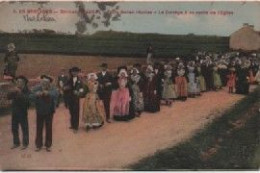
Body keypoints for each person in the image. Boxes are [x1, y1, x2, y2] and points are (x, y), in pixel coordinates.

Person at [30, 75, 59, 152]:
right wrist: (36, 94)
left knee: (48, 128)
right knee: (39, 128)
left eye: (46, 82)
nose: (44, 84)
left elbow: (56, 94)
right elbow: (30, 96)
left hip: (49, 111)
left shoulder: (52, 88)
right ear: (41, 82)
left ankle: (48, 145)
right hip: (40, 111)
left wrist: (48, 93)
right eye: (43, 82)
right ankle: (38, 145)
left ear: (49, 83)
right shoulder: (37, 88)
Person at [7, 76, 30, 150]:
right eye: (17, 82)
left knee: (24, 128)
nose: (18, 83)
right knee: (14, 128)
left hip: (22, 112)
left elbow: (26, 101)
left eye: (19, 82)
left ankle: (25, 144)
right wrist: (11, 91)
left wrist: (19, 92)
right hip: (14, 112)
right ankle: (16, 143)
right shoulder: (15, 89)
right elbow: (8, 97)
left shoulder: (27, 90)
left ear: (23, 83)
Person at [64, 67, 87, 133]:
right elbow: (64, 87)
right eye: (73, 71)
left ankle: (76, 127)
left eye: (76, 72)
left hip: (76, 98)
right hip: (70, 97)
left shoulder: (80, 80)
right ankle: (72, 125)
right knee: (71, 112)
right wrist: (66, 88)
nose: (74, 73)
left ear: (77, 73)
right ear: (71, 72)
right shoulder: (68, 80)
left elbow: (82, 89)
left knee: (76, 112)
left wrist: (79, 92)